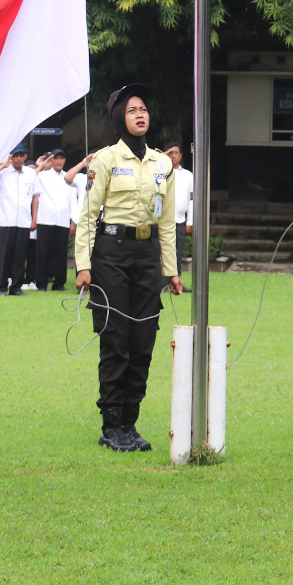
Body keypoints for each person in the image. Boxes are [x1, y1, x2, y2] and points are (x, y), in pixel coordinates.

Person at [74, 84, 182, 453]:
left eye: (144, 109)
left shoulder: (162, 164)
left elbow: (166, 224)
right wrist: (84, 266)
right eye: (132, 109)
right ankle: (111, 424)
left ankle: (131, 422)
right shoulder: (104, 160)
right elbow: (88, 216)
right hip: (111, 254)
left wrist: (171, 270)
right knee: (115, 338)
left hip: (147, 255)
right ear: (120, 117)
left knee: (143, 340)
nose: (140, 114)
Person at [0, 145, 40, 296]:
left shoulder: (31, 173)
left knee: (20, 255)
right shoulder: (3, 172)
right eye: (15, 156)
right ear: (11, 156)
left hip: (23, 220)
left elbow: (35, 197)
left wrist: (34, 218)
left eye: (21, 155)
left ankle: (16, 287)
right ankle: (2, 287)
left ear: (25, 157)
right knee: (4, 255)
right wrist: (3, 164)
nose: (18, 158)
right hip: (5, 220)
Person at [34, 150, 75, 292]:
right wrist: (40, 165)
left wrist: (73, 222)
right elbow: (29, 178)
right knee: (43, 253)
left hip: (62, 220)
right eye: (55, 158)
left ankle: (59, 284)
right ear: (51, 161)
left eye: (61, 158)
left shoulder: (68, 177)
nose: (59, 161)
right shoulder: (43, 176)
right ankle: (41, 283)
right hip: (45, 219)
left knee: (60, 254)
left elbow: (72, 202)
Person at [161, 143, 194, 292]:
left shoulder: (187, 175)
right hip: (162, 220)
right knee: (161, 252)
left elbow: (191, 199)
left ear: (181, 155)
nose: (173, 156)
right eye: (170, 153)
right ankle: (162, 283)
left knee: (177, 252)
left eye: (176, 153)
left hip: (180, 220)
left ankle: (176, 282)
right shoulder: (160, 173)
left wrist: (190, 221)